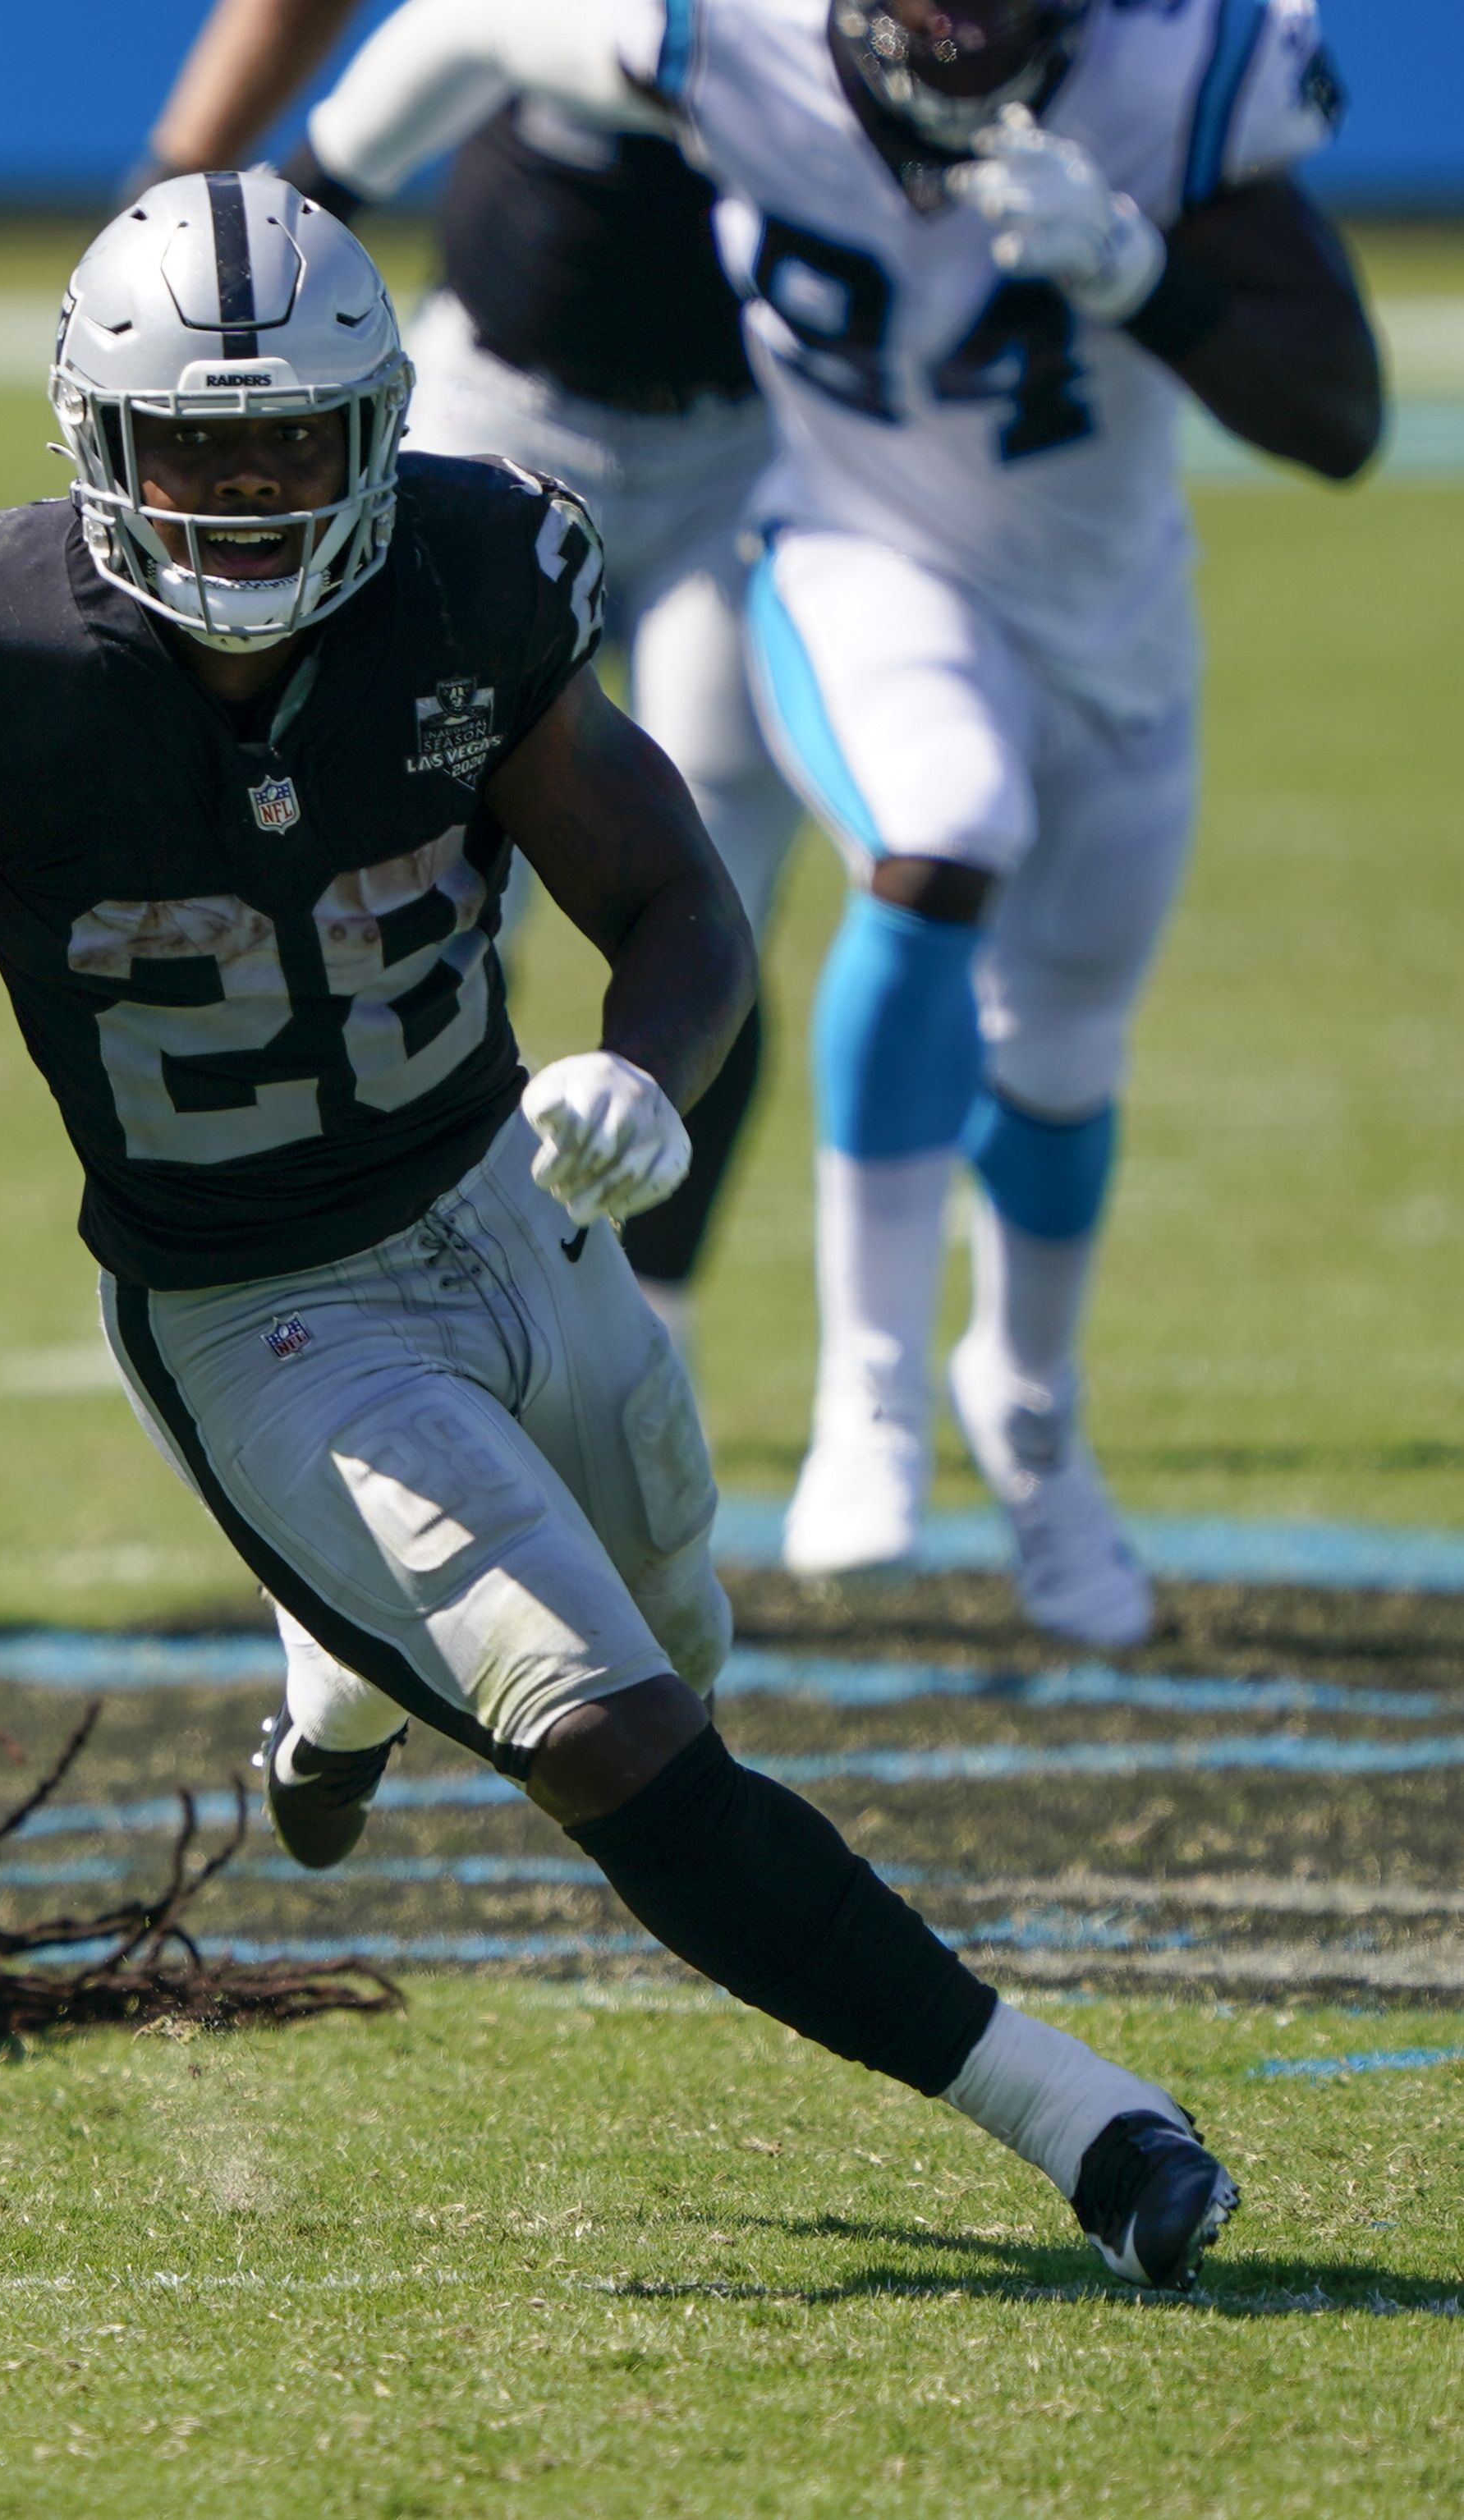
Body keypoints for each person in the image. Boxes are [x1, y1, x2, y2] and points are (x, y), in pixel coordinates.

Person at [0, 175, 1234, 2287]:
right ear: (94, 444)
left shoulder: (478, 572)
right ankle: (1083, 2120)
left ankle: (338, 1667)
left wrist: (634, 1074)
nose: (237, 505)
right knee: (620, 1737)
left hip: (500, 1197)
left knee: (685, 1652)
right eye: (190, 452)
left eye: (285, 449)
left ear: (377, 431)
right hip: (257, 1305)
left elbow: (676, 898)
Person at [292, 0, 1377, 1636]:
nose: (955, 25)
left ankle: (1020, 1412)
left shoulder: (1183, 70)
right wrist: (284, 192)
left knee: (1059, 1048)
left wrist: (1141, 273)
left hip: (1101, 610)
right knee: (932, 830)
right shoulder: (727, 35)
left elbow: (1338, 413)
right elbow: (471, 18)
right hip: (845, 546)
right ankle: (855, 1401)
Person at [141, 0, 804, 1348]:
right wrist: (247, 197)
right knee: (407, 866)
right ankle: (371, 1285)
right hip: (500, 406)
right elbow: (470, 24)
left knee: (710, 875)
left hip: (758, 437)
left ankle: (648, 1324)